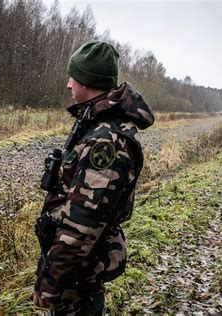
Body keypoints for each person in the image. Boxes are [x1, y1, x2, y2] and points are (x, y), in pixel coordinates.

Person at [33, 41, 154, 315]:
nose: (68, 85)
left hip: (78, 272)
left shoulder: (107, 142)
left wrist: (52, 281)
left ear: (87, 82)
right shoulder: (95, 124)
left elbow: (84, 223)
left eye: (72, 77)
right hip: (75, 269)